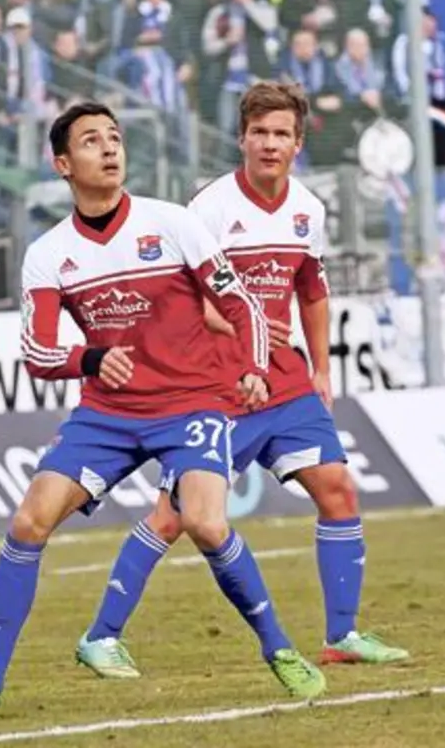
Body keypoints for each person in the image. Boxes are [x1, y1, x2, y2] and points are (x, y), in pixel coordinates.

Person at [0, 101, 326, 715]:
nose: (110, 149)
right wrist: (89, 361)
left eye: (115, 138)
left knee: (204, 522)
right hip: (106, 416)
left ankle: (279, 649)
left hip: (191, 405)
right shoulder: (48, 253)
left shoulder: (171, 223)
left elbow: (243, 307)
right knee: (28, 521)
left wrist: (255, 368)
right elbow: (39, 352)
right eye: (92, 141)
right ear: (62, 163)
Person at [73, 83, 410, 679]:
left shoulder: (309, 210)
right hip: (215, 385)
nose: (270, 144)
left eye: (281, 134)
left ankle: (343, 635)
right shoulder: (207, 208)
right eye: (260, 133)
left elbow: (311, 287)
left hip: (285, 384)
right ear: (242, 139)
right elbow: (175, 294)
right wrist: (235, 325)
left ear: (298, 144)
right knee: (173, 517)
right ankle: (101, 635)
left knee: (338, 489)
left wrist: (321, 367)